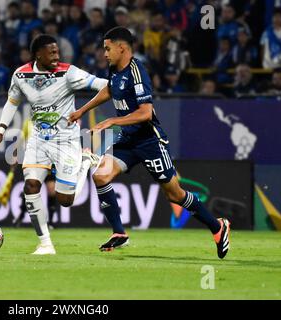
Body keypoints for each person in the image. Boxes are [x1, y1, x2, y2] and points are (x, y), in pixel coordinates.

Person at [68, 27, 231, 259]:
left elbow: (145, 113)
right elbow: (109, 89)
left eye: (107, 48)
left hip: (149, 140)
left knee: (174, 194)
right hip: (128, 138)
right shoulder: (114, 68)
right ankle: (119, 232)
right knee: (100, 176)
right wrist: (82, 110)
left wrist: (111, 121)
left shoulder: (138, 72)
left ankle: (217, 226)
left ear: (121, 47)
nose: (104, 53)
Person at [0, 34, 107, 255]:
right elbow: (12, 102)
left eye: (57, 52)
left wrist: (84, 109)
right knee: (30, 186)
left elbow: (103, 85)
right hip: (38, 139)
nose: (56, 56)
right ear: (37, 54)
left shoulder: (68, 72)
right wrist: (0, 132)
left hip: (66, 140)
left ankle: (86, 161)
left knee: (65, 200)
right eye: (51, 53)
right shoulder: (21, 75)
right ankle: (45, 244)